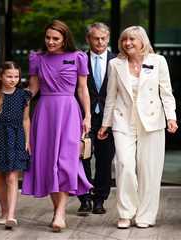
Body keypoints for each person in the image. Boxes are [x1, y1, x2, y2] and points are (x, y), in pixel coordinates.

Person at [98, 26, 178, 229]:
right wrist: (105, 124)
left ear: (143, 41)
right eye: (124, 39)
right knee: (124, 165)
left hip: (152, 121)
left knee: (149, 170)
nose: (127, 43)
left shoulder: (157, 61)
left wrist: (171, 117)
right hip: (123, 120)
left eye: (132, 39)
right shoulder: (115, 63)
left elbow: (166, 92)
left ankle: (145, 215)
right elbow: (111, 96)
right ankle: (126, 212)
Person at [22, 20, 93, 232]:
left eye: (55, 38)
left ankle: (60, 212)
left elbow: (82, 89)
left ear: (65, 39)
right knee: (48, 162)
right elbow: (33, 88)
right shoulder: (37, 58)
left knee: (65, 162)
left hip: (69, 112)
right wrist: (15, 99)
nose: (50, 42)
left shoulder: (78, 57)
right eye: (48, 38)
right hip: (45, 112)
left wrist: (87, 116)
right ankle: (58, 212)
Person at [0, 61, 31, 229]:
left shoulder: (23, 95)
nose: (13, 79)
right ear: (1, 76)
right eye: (9, 76)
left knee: (11, 176)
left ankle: (11, 215)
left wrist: (28, 140)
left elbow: (26, 119)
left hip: (16, 137)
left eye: (16, 76)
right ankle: (3, 213)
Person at [77, 22, 116, 216]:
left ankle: (100, 199)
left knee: (104, 160)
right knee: (82, 157)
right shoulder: (80, 59)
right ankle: (84, 198)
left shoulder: (117, 61)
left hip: (109, 118)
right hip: (84, 117)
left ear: (108, 38)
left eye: (103, 38)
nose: (100, 42)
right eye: (95, 38)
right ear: (88, 39)